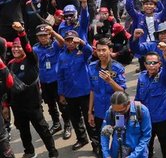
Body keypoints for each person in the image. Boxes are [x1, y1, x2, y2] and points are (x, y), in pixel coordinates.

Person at [5, 22, 58, 158]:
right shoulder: (10, 65)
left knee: (43, 130)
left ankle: (52, 151)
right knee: (23, 131)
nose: (16, 49)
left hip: (33, 105)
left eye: (18, 47)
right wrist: (6, 105)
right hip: (17, 106)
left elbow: (28, 47)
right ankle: (29, 151)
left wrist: (22, 32)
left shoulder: (32, 60)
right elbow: (7, 86)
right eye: (14, 47)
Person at [57, 29, 99, 154]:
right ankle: (82, 138)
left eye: (72, 40)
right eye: (67, 40)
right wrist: (61, 93)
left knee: (89, 119)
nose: (70, 43)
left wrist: (81, 42)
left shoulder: (83, 52)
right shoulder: (62, 56)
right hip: (70, 93)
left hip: (85, 92)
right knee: (75, 119)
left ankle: (95, 143)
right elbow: (60, 76)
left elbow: (90, 51)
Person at [87, 37, 127, 157]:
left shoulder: (118, 68)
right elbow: (92, 91)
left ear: (110, 50)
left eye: (104, 50)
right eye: (98, 50)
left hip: (117, 112)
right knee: (102, 140)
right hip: (99, 112)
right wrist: (90, 112)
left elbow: (122, 91)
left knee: (120, 139)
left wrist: (110, 81)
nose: (101, 53)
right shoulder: (92, 67)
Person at [33, 24, 72, 140]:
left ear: (49, 35)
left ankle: (67, 125)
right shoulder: (35, 48)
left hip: (57, 81)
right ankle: (56, 124)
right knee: (51, 105)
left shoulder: (55, 45)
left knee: (62, 104)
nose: (43, 38)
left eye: (45, 35)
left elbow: (63, 43)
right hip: (44, 82)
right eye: (40, 36)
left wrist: (54, 32)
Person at [135, 49, 166, 158]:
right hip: (146, 120)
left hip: (162, 120)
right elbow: (138, 97)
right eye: (148, 63)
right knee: (146, 148)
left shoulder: (163, 77)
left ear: (159, 64)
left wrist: (165, 53)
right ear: (144, 64)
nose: (151, 66)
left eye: (154, 63)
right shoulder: (142, 76)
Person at [101, 91, 152, 158]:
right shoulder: (110, 112)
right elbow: (104, 134)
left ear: (128, 104)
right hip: (117, 153)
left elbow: (146, 136)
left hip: (138, 153)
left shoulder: (142, 111)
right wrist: (106, 154)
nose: (119, 113)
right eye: (116, 111)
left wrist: (133, 156)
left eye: (121, 111)